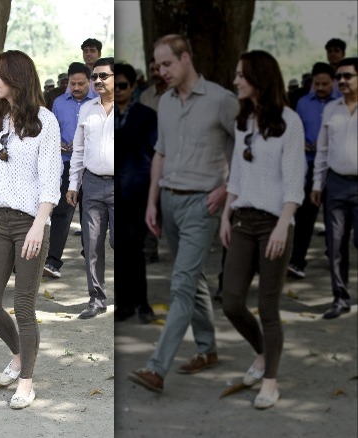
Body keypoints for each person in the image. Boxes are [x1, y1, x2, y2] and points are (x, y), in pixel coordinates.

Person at [127, 34, 238, 394]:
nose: (161, 71)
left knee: (181, 285)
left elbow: (248, 148)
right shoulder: (167, 103)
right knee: (192, 279)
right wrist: (152, 202)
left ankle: (157, 368)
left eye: (167, 64)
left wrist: (228, 188)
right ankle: (207, 350)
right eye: (157, 65)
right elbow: (160, 153)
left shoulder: (223, 100)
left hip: (204, 204)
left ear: (186, 58)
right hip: (169, 203)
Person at [219, 50, 306, 410]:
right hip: (241, 220)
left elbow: (293, 180)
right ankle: (261, 353)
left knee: (267, 306)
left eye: (241, 75)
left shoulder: (289, 121)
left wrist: (285, 225)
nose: (236, 81)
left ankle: (269, 382)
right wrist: (225, 215)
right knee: (231, 301)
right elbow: (237, 174)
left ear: (260, 78)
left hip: (275, 222)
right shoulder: (243, 121)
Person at [0, 49, 60, 409]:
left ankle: (26, 382)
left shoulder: (45, 121)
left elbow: (50, 179)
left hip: (31, 221)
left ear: (16, 78)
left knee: (24, 306)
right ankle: (19, 355)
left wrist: (40, 225)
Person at [66, 58, 115, 319]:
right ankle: (96, 299)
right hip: (93, 184)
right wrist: (74, 184)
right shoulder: (87, 109)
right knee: (92, 243)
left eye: (104, 76)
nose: (98, 81)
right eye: (95, 76)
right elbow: (79, 150)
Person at [311, 57, 358, 319]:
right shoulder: (331, 109)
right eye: (338, 76)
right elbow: (323, 149)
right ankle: (340, 298)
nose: (341, 81)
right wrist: (317, 184)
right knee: (335, 242)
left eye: (347, 76)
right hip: (337, 184)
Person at [112, 63, 157, 323]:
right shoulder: (106, 116)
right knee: (119, 250)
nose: (118, 90)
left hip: (138, 193)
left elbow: (155, 154)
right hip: (113, 193)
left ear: (133, 87)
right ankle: (124, 304)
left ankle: (142, 304)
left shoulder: (146, 115)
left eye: (123, 86)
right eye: (114, 86)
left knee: (135, 251)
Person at [43, 62, 97, 279]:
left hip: (91, 165)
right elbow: (51, 130)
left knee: (91, 213)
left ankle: (91, 257)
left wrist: (82, 144)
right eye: (73, 84)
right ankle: (52, 261)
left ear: (89, 82)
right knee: (62, 212)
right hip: (65, 163)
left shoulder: (98, 102)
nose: (76, 87)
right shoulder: (58, 103)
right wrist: (59, 144)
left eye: (81, 84)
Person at [288, 62, 340, 279]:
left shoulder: (341, 103)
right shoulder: (302, 103)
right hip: (308, 166)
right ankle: (297, 262)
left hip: (335, 168)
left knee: (336, 219)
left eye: (325, 84)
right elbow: (295, 130)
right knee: (304, 217)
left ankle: (337, 262)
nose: (320, 87)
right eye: (317, 84)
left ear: (333, 82)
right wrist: (303, 144)